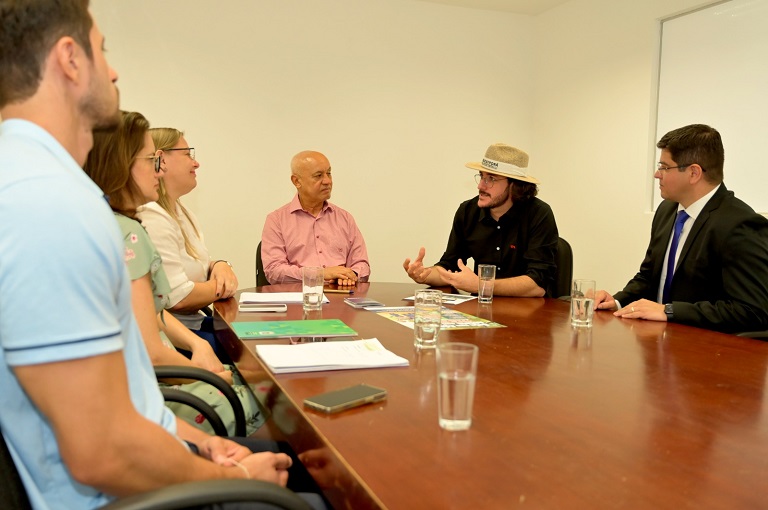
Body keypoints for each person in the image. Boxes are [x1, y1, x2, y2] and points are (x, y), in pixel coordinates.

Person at [0, 3, 322, 508]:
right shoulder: (52, 205)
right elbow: (102, 452)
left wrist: (203, 445)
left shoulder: (35, 185)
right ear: (69, 59)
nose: (113, 71)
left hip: (144, 463)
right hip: (123, 495)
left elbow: (129, 403)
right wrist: (235, 474)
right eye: (102, 50)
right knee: (317, 488)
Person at [83, 110, 263, 436]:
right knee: (273, 399)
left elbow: (151, 313)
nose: (159, 169)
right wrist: (209, 374)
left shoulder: (104, 223)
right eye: (152, 160)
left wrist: (199, 349)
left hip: (147, 388)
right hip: (156, 394)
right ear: (122, 165)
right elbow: (154, 353)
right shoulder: (130, 235)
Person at [593, 124, 768, 333]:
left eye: (664, 167)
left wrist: (669, 311)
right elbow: (648, 277)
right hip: (657, 341)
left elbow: (752, 311)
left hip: (705, 346)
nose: (657, 174)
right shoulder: (667, 210)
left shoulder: (740, 225)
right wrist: (617, 302)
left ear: (694, 173)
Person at [404, 143, 558, 296]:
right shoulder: (467, 211)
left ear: (514, 185)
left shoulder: (539, 214)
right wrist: (424, 275)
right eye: (481, 177)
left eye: (491, 179)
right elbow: (449, 266)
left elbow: (538, 285)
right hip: (481, 307)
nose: (480, 186)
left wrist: (482, 285)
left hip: (528, 309)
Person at [137, 128, 238, 348]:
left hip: (194, 324)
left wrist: (220, 265)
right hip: (175, 339)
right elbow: (179, 298)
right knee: (251, 351)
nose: (196, 163)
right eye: (187, 154)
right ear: (162, 159)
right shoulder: (151, 216)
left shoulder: (182, 212)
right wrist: (222, 286)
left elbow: (196, 265)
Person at [261, 150, 371, 285]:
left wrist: (351, 275)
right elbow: (274, 271)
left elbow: (362, 264)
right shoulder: (276, 220)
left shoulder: (345, 218)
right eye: (318, 176)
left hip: (341, 295)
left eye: (329, 173)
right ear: (296, 181)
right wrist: (320, 274)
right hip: (299, 296)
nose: (327, 181)